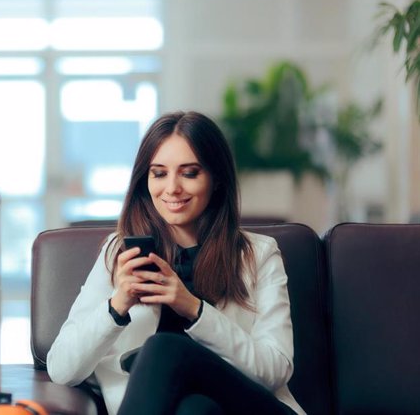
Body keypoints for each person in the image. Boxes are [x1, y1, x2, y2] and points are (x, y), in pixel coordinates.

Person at [46, 111, 305, 415]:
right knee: (195, 409)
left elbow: (274, 370)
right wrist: (117, 305)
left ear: (217, 179)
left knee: (162, 350)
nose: (172, 188)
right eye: (159, 173)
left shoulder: (258, 254)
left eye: (190, 173)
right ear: (146, 180)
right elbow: (61, 369)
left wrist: (193, 309)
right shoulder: (118, 254)